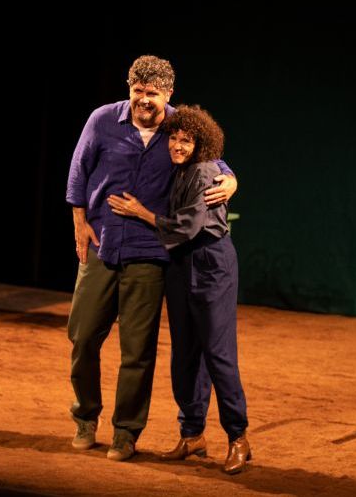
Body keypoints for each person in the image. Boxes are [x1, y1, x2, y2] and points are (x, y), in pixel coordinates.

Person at [65, 55, 237, 462]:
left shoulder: (179, 127)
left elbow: (217, 162)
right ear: (130, 89)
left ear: (168, 94)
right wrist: (79, 223)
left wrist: (232, 180)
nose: (144, 99)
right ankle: (86, 417)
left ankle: (126, 432)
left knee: (137, 349)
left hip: (150, 252)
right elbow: (78, 173)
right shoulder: (102, 120)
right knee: (83, 336)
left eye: (153, 93)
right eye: (138, 91)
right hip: (102, 244)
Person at [107, 104, 251, 474]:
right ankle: (192, 434)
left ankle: (238, 437)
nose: (177, 145)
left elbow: (187, 226)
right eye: (174, 138)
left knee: (217, 352)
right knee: (184, 353)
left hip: (210, 262)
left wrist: (140, 212)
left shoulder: (204, 171)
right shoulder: (180, 168)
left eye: (186, 141)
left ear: (200, 145)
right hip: (179, 264)